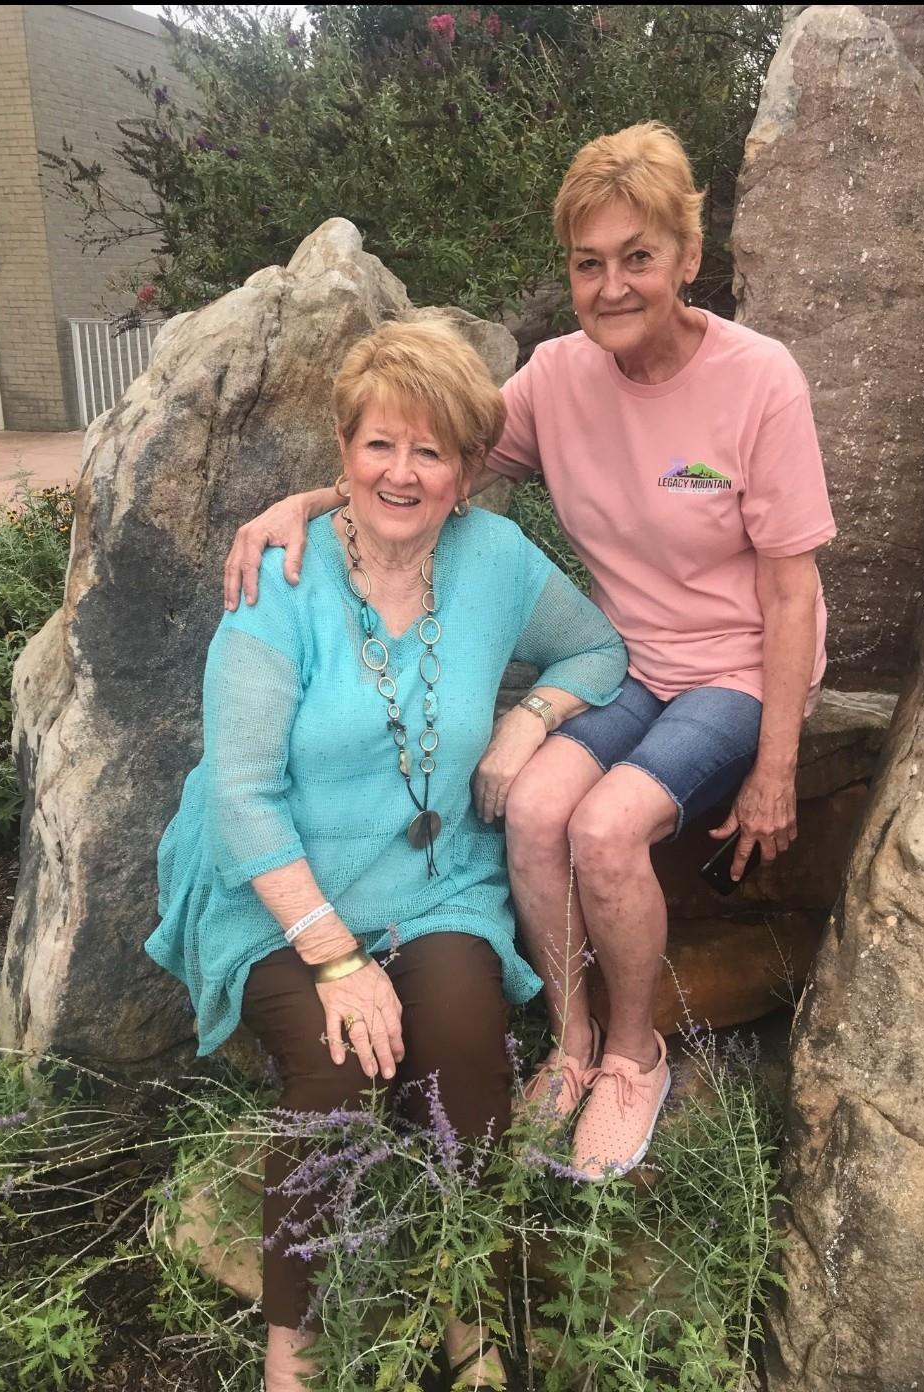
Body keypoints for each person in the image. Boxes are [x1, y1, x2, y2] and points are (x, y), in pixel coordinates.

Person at [222, 122, 837, 1185]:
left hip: (734, 669)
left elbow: (791, 588)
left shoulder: (758, 381)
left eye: (637, 257)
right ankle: (573, 1039)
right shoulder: (557, 378)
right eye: (588, 263)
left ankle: (635, 1055)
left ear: (689, 257)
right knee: (535, 807)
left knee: (604, 829)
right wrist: (312, 501)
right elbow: (429, 453)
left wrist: (776, 761)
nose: (611, 285)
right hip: (626, 661)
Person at [145, 318, 626, 1390]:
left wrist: (528, 719)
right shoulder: (281, 580)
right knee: (339, 1063)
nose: (402, 473)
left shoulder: (495, 559)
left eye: (431, 451)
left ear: (466, 470)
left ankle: (469, 1315)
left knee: (462, 1042)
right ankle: (297, 1355)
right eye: (380, 445)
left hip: (435, 886)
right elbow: (240, 796)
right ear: (343, 451)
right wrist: (333, 957)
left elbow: (601, 647)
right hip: (276, 890)